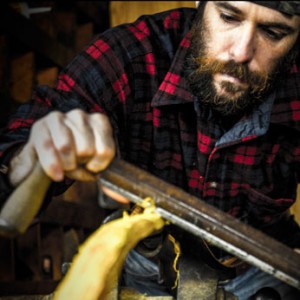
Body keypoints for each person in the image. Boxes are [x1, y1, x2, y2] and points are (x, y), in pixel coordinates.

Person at [0, 1, 300, 299]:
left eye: (273, 32)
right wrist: (26, 159)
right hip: (144, 263)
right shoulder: (132, 53)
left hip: (258, 271)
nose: (241, 52)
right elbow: (32, 130)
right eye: (228, 17)